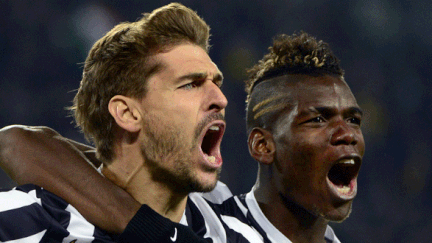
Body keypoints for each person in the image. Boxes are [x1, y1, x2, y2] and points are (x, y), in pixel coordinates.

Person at [1, 32, 365, 243]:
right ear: (262, 145)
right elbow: (17, 143)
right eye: (318, 119)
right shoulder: (207, 214)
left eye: (353, 119)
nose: (346, 134)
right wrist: (149, 229)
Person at [0, 2, 237, 242]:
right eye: (190, 84)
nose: (221, 99)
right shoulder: (33, 221)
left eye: (216, 83)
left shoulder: (231, 227)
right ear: (127, 114)